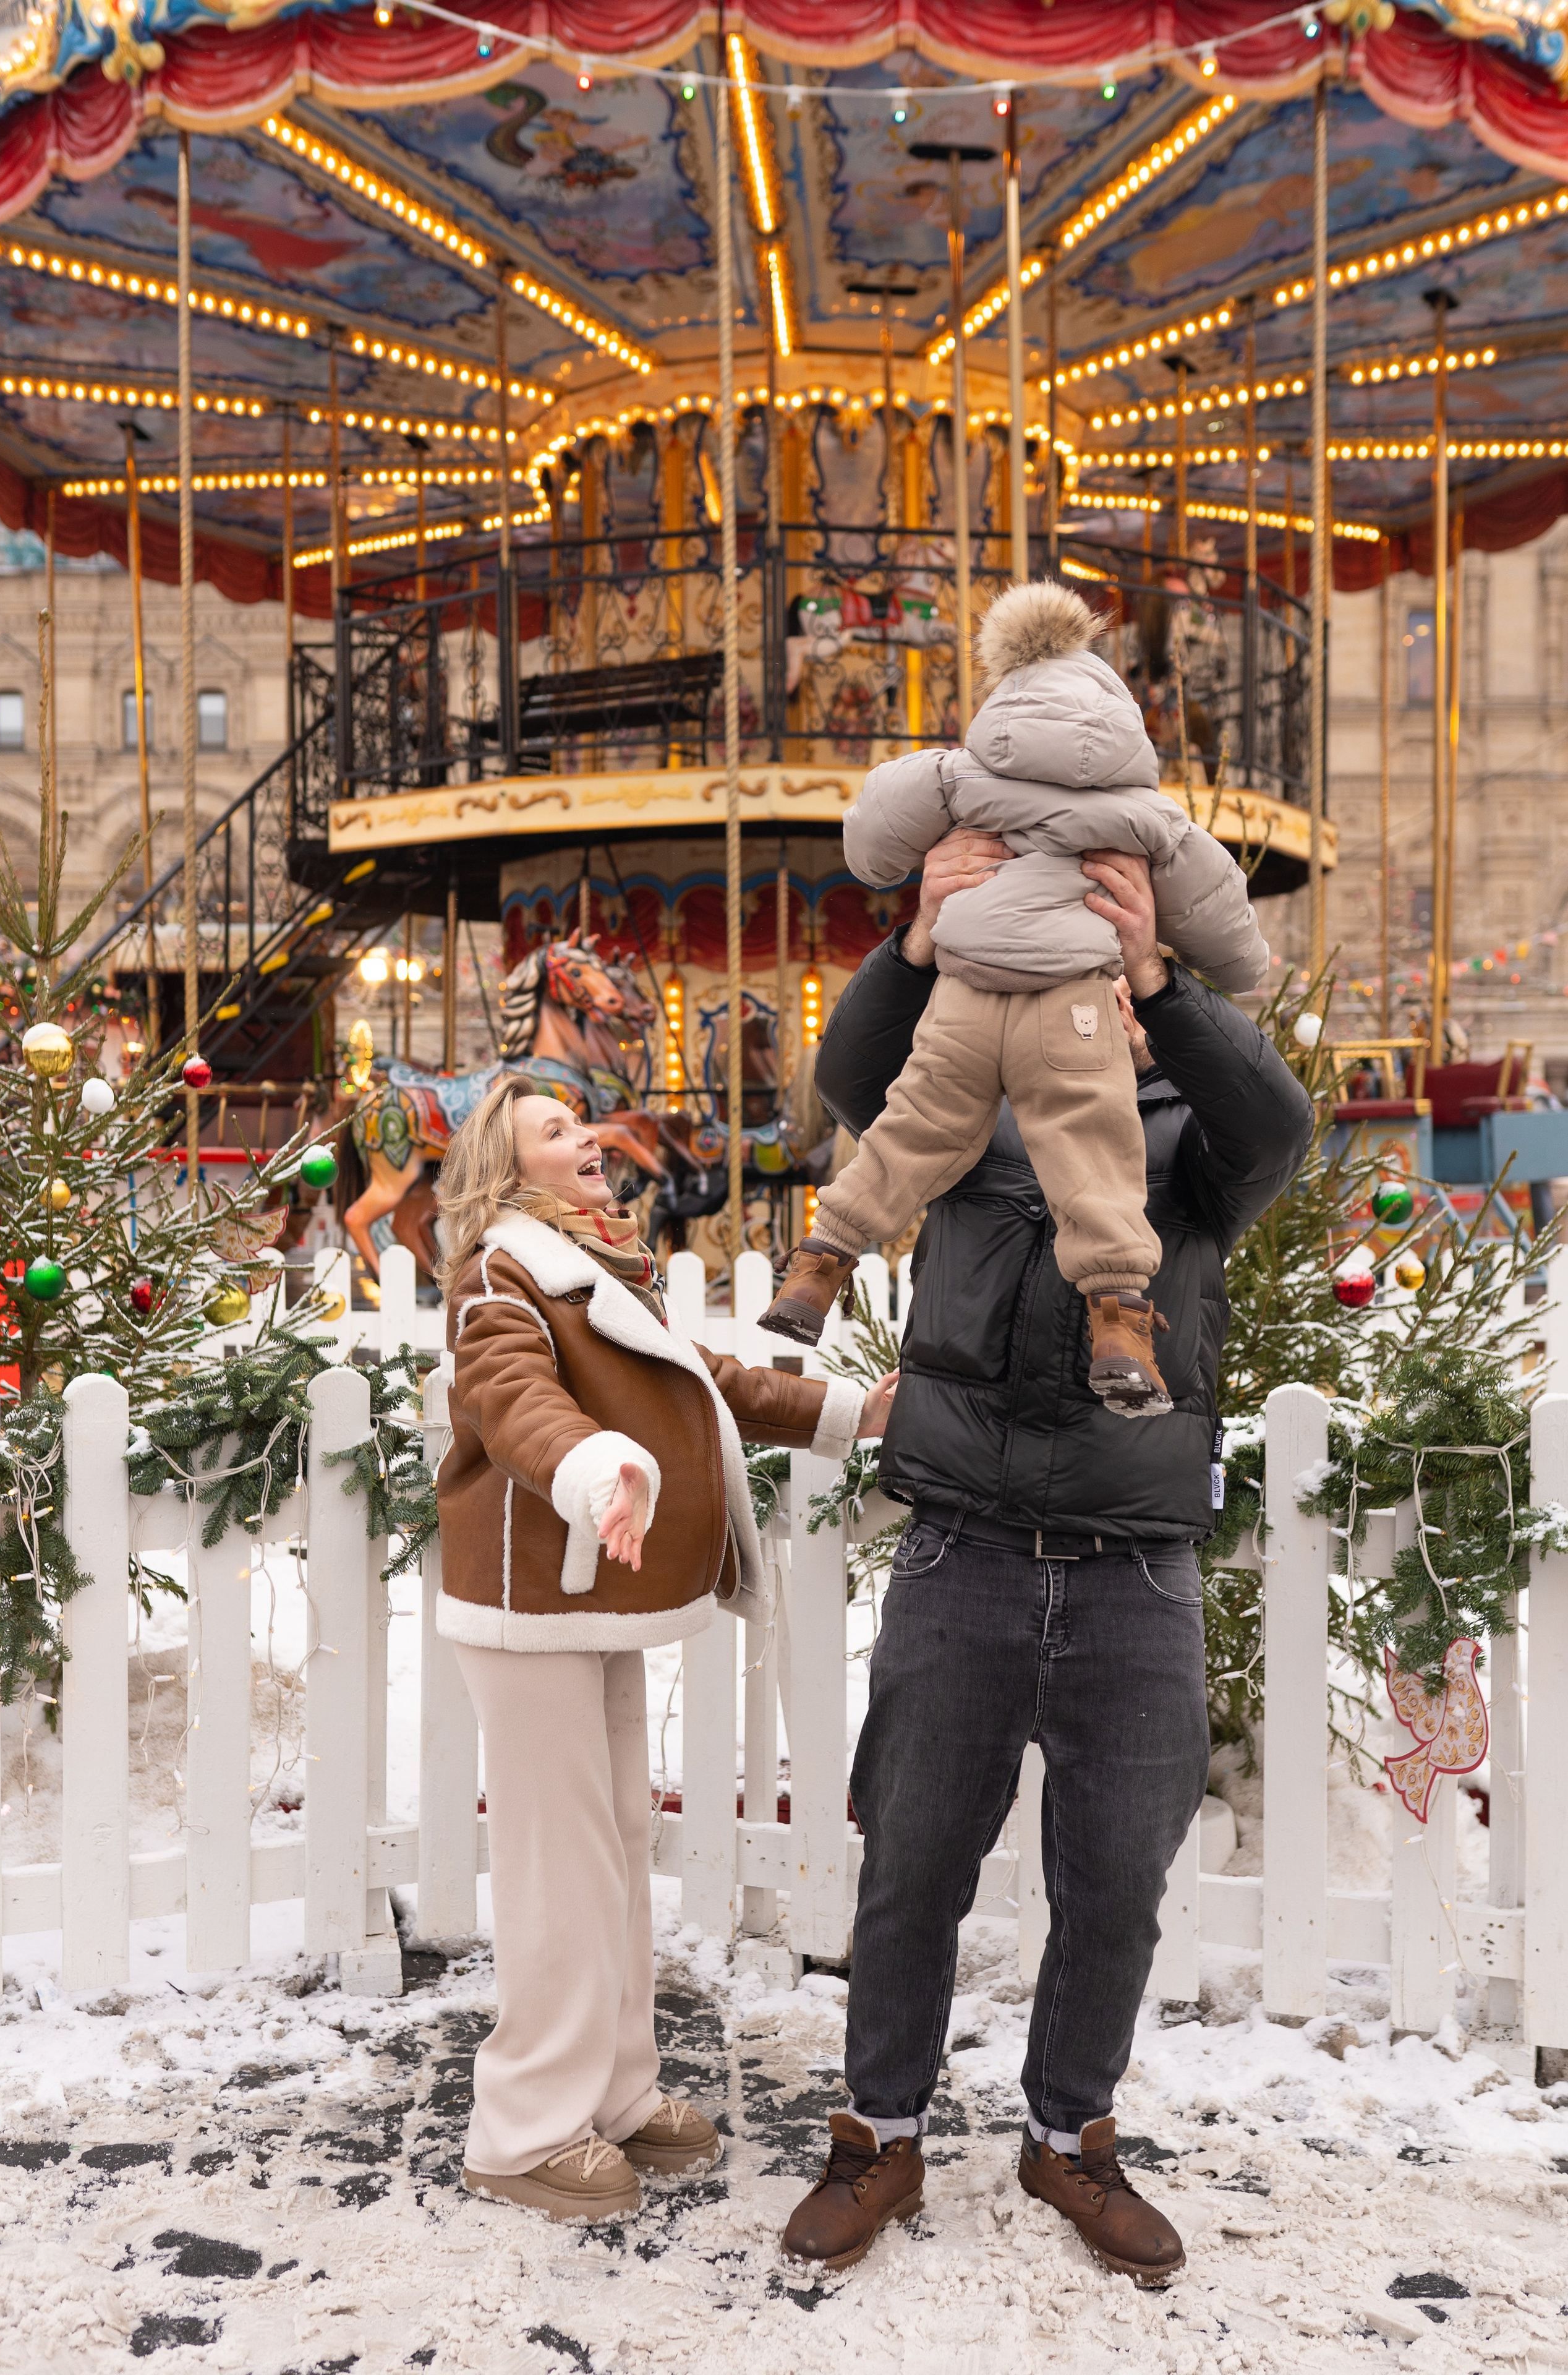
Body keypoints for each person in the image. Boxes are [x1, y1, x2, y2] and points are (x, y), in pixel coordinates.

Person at [778, 832, 1314, 2283]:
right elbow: (849, 1091)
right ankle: (877, 2129)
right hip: (961, 1542)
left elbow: (1279, 1130)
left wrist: (1162, 978)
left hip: (1136, 1560)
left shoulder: (1188, 1150)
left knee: (1113, 1884)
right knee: (910, 1866)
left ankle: (1069, 2134)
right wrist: (914, 939)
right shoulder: (965, 1097)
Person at [432, 1076, 897, 2222]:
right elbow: (512, 1397)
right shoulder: (504, 1271)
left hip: (593, 1600)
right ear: (507, 1171)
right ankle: (524, 2127)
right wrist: (597, 1468)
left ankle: (617, 2089)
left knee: (619, 1843)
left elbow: (708, 1385)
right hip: (532, 1600)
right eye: (553, 1131)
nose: (584, 1136)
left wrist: (845, 1413)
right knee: (560, 1862)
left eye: (579, 1121)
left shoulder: (598, 1266)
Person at [761, 580, 1270, 1419]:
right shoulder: (1142, 813)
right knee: (1096, 1153)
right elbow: (1221, 911)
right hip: (1069, 1008)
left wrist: (918, 891)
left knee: (912, 1125)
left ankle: (821, 1261)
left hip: (965, 995)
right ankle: (1118, 1324)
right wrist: (1203, 966)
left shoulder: (960, 775)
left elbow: (872, 832)